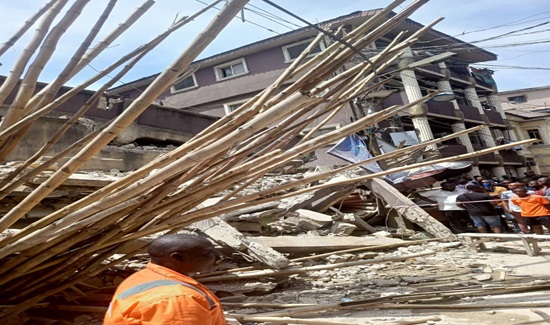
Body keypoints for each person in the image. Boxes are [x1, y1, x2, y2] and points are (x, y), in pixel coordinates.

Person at [104, 234, 226, 325]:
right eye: (208, 253)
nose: (218, 256)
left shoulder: (144, 277)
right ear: (178, 257)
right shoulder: (178, 299)